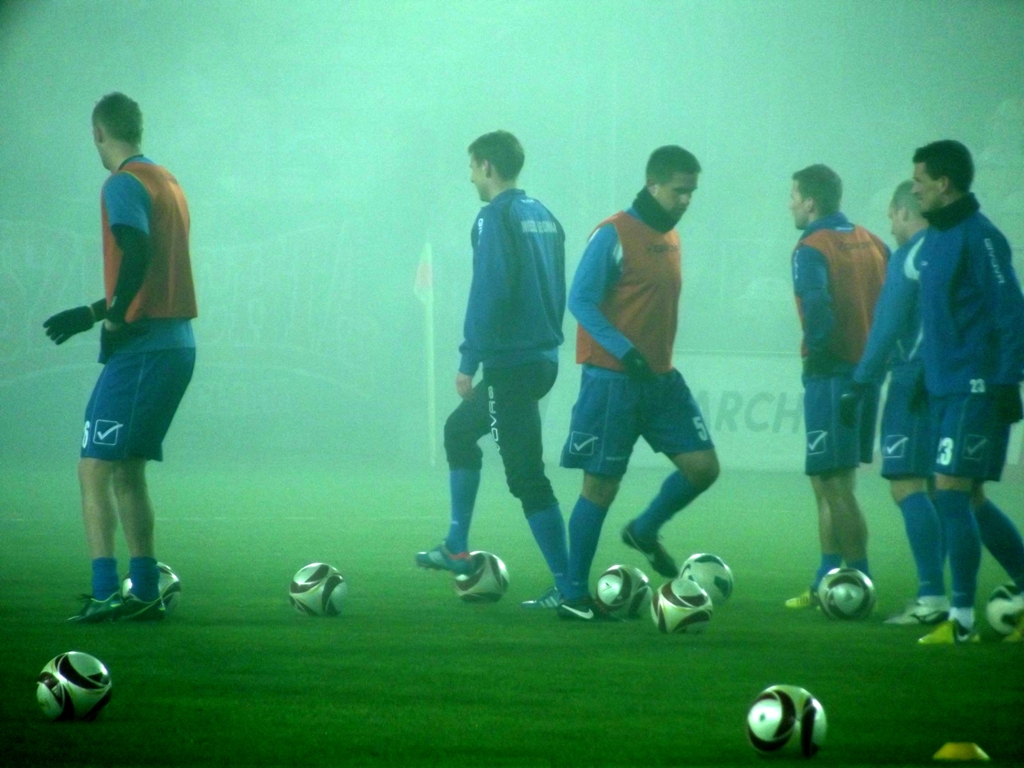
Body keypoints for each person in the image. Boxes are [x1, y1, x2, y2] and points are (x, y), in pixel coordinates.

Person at [43, 92, 197, 622]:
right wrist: (91, 313)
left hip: (144, 348)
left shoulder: (121, 183)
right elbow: (155, 269)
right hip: (175, 343)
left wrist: (111, 321)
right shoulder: (167, 181)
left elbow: (137, 250)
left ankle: (108, 590)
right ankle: (146, 590)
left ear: (97, 133)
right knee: (127, 471)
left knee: (93, 469)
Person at [557, 145, 719, 621]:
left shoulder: (671, 237)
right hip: (613, 381)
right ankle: (571, 594)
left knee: (703, 469)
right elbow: (581, 301)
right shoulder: (613, 233)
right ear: (653, 185)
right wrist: (625, 351)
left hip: (662, 380)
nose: (686, 199)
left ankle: (644, 529)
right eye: (678, 190)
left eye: (691, 191)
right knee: (599, 488)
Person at [415, 131, 570, 608]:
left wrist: (469, 360)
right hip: (541, 357)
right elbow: (556, 287)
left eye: (471, 167)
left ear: (486, 167)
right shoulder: (544, 215)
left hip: (512, 363)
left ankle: (570, 587)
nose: (469, 177)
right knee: (460, 432)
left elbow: (489, 291)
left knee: (526, 477)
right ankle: (456, 546)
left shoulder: (493, 218)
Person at [910, 140, 1024, 644]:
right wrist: (921, 377)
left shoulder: (982, 239)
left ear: (944, 183)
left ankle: (960, 620)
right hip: (943, 387)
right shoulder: (933, 241)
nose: (914, 188)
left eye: (919, 181)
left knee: (950, 493)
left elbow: (1011, 311)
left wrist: (1006, 380)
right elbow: (932, 322)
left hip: (975, 387)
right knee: (970, 497)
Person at [841, 181, 947, 625]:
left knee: (906, 484)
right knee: (957, 492)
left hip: (912, 379)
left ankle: (932, 598)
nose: (891, 225)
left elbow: (885, 329)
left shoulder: (908, 259)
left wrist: (860, 384)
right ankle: (948, 595)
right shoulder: (950, 248)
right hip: (952, 381)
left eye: (892, 216)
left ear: (903, 211)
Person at [785, 164, 887, 610]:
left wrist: (820, 355)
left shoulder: (811, 248)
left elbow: (818, 306)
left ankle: (857, 580)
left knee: (834, 483)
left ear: (810, 201)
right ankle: (825, 576)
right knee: (828, 479)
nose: (789, 203)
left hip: (832, 373)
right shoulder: (872, 241)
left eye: (793, 196)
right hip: (867, 372)